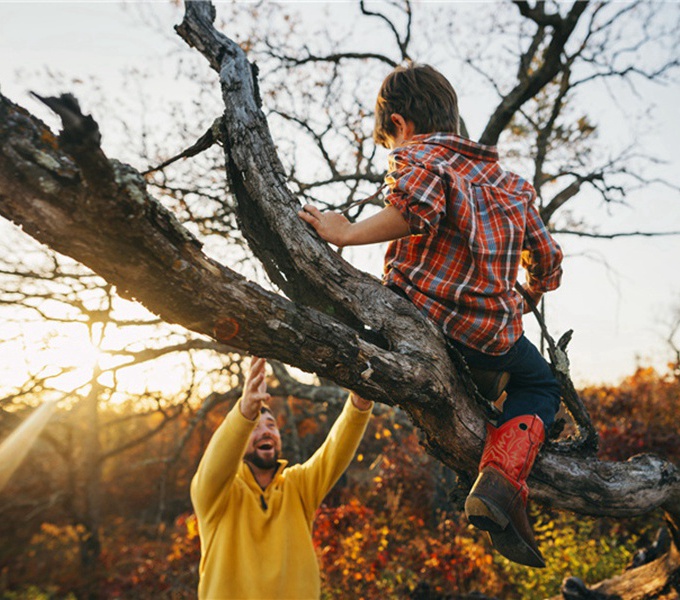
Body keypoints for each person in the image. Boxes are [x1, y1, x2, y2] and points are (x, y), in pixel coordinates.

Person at [298, 62, 563, 568]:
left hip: (419, 320)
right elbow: (548, 262)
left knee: (505, 404)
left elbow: (415, 208)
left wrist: (345, 232)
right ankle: (503, 484)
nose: (391, 153)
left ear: (398, 124)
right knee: (539, 387)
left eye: (388, 141)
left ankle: (500, 491)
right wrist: (530, 292)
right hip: (489, 339)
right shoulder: (511, 184)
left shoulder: (417, 155)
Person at [190, 357, 373, 599]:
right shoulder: (217, 495)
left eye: (271, 425)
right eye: (255, 427)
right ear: (239, 437)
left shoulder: (298, 487)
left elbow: (334, 452)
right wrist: (245, 413)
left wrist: (358, 406)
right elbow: (216, 463)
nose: (265, 431)